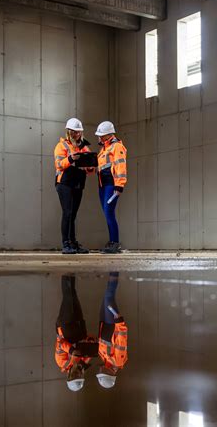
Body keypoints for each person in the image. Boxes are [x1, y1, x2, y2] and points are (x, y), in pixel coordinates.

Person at [54, 118, 93, 255]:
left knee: (73, 214)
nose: (77, 135)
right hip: (64, 183)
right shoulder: (62, 146)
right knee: (68, 213)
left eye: (79, 132)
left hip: (78, 183)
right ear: (69, 132)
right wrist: (72, 158)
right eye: (75, 132)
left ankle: (73, 243)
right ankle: (66, 243)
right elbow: (59, 164)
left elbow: (90, 170)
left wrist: (90, 166)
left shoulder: (84, 147)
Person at [55, 275, 98, 392]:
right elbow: (89, 341)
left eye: (74, 377)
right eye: (79, 377)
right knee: (73, 295)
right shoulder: (84, 362)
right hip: (79, 325)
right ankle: (71, 272)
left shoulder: (62, 363)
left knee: (68, 296)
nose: (77, 375)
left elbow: (60, 344)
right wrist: (92, 342)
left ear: (69, 377)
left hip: (65, 325)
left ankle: (66, 271)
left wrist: (72, 351)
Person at [95, 121, 127, 254]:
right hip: (103, 185)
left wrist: (119, 185)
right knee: (107, 214)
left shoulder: (117, 147)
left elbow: (120, 166)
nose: (99, 137)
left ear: (108, 135)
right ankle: (112, 242)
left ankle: (115, 243)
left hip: (111, 185)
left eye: (101, 135)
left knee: (109, 213)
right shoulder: (104, 149)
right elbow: (102, 167)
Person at [96, 272, 128, 388]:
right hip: (112, 323)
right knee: (109, 296)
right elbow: (122, 340)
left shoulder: (106, 359)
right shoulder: (117, 361)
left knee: (107, 296)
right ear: (109, 373)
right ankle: (114, 270)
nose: (100, 370)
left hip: (104, 323)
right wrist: (120, 323)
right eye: (102, 373)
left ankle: (113, 272)